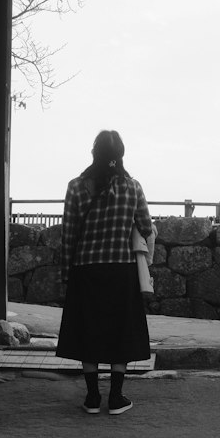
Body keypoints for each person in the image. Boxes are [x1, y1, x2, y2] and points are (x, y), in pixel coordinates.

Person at [56, 129, 153, 415]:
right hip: (121, 271)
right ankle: (117, 397)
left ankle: (91, 397)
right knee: (120, 333)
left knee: (89, 332)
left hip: (85, 271)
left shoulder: (75, 187)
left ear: (94, 154)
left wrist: (66, 275)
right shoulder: (133, 187)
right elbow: (146, 226)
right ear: (120, 155)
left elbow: (68, 235)